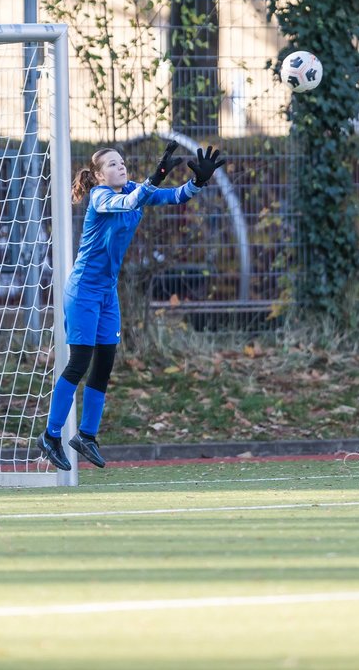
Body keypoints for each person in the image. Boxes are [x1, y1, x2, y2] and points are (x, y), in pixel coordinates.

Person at [36, 140, 226, 470]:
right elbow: (128, 203)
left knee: (106, 361)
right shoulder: (101, 196)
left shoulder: (136, 188)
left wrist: (198, 182)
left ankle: (86, 436)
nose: (120, 166)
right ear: (97, 175)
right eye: (111, 164)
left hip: (107, 293)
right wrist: (156, 176)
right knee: (80, 361)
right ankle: (50, 436)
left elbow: (173, 197)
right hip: (83, 291)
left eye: (121, 162)